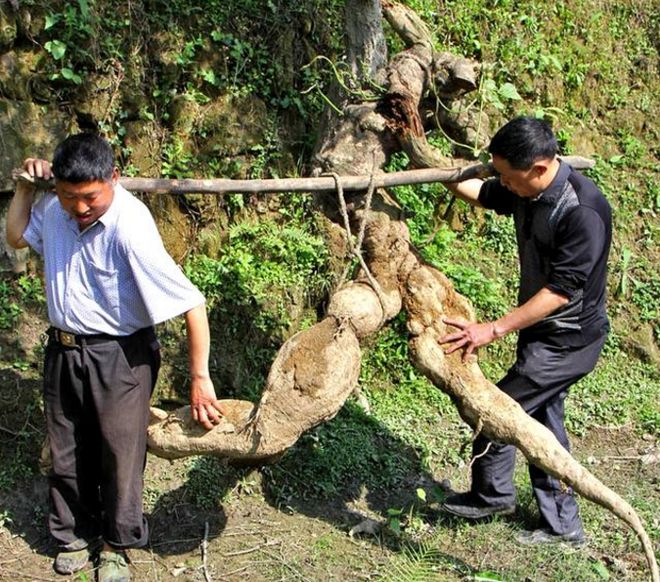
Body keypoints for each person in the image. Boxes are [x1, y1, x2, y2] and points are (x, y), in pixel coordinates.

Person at [6, 133, 227, 581]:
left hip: (120, 355)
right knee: (67, 446)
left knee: (120, 452)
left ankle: (115, 544)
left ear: (114, 178)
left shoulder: (131, 226)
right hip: (64, 349)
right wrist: (27, 188)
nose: (80, 207)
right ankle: (72, 533)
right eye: (70, 197)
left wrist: (200, 376)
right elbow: (14, 236)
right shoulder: (54, 210)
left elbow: (192, 302)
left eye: (90, 197)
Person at [438, 116, 611, 546]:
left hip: (568, 341)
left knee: (497, 409)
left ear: (538, 168)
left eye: (510, 177)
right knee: (542, 423)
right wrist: (439, 171)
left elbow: (559, 293)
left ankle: (495, 498)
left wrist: (490, 330)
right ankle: (554, 521)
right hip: (544, 336)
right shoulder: (525, 190)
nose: (505, 184)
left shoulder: (582, 210)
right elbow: (482, 192)